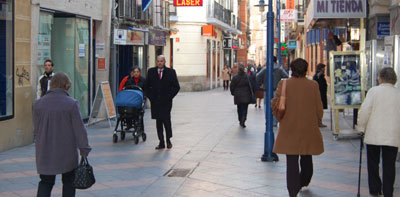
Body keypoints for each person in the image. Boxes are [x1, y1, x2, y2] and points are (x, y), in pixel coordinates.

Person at [271, 58, 324, 197]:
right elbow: (319, 107)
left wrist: (280, 118)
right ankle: (304, 181)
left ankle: (293, 191)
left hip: (289, 128)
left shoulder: (284, 84)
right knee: (307, 156)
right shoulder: (313, 85)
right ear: (306, 70)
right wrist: (318, 120)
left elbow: (276, 104)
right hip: (308, 127)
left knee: (292, 162)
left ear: (292, 70)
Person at [33, 72, 91, 197]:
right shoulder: (71, 103)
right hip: (66, 151)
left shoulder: (38, 104)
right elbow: (79, 129)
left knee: (45, 182)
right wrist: (84, 148)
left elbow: (37, 129)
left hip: (44, 150)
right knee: (69, 181)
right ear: (66, 86)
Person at [357, 67, 400, 197]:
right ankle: (388, 192)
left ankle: (375, 188)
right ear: (394, 79)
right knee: (389, 165)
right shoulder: (398, 93)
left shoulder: (373, 91)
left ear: (380, 78)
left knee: (373, 162)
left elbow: (365, 111)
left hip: (374, 134)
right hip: (392, 135)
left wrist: (361, 127)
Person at [145, 55, 180, 150]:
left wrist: (169, 97)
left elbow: (176, 87)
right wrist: (151, 97)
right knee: (158, 122)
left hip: (166, 102)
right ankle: (161, 142)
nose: (160, 63)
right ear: (156, 62)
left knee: (166, 120)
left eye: (161, 61)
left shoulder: (171, 72)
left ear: (165, 62)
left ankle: (168, 140)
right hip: (155, 102)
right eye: (158, 61)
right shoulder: (151, 71)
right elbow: (146, 86)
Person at [230, 64, 254, 128]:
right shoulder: (247, 76)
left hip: (238, 95)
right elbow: (251, 85)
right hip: (246, 94)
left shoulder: (235, 77)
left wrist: (233, 92)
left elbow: (232, 86)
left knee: (239, 108)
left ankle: (240, 119)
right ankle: (243, 118)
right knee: (245, 108)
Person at [313, 63, 328, 127]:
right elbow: (320, 85)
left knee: (319, 108)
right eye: (323, 68)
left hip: (320, 93)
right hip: (320, 94)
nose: (324, 69)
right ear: (321, 68)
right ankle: (319, 122)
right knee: (319, 109)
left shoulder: (317, 75)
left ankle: (319, 121)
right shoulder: (320, 75)